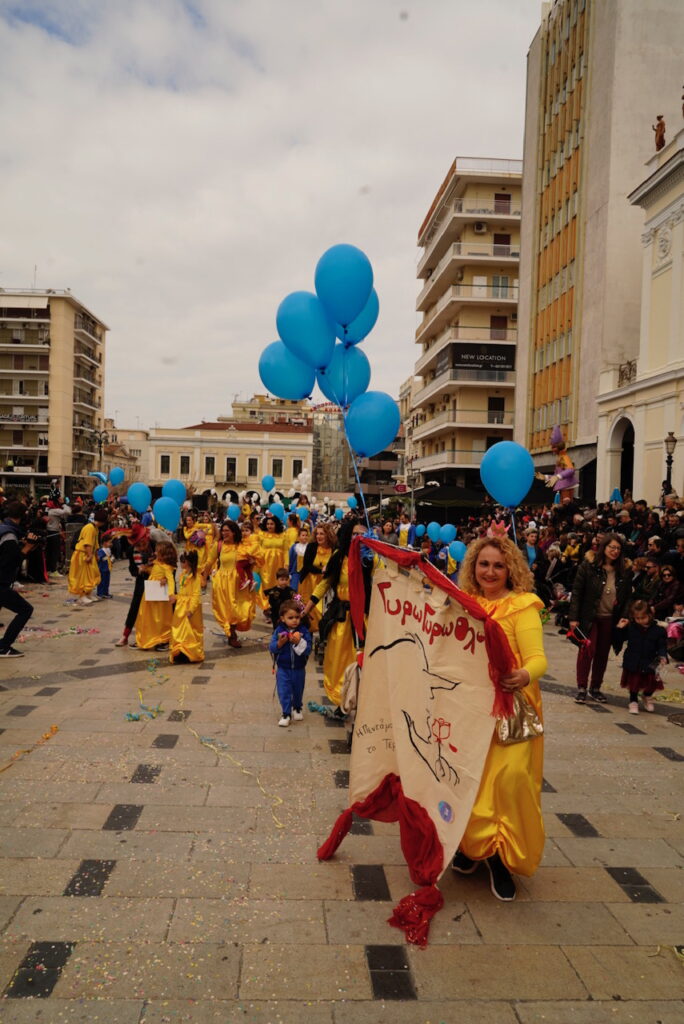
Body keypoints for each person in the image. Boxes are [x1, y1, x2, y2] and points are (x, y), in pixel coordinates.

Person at [452, 535, 547, 901]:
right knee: (469, 782)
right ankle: (472, 846)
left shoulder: (522, 606)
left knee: (507, 783)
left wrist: (523, 676)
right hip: (470, 711)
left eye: (498, 565)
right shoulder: (464, 603)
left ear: (511, 570)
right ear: (473, 566)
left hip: (512, 711)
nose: (490, 571)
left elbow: (537, 659)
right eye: (483, 564)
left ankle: (501, 857)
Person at [569, 533, 633, 704]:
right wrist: (573, 618)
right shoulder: (588, 566)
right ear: (604, 547)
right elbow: (577, 592)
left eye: (618, 548)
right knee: (587, 651)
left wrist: (625, 616)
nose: (615, 551)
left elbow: (627, 597)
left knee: (602, 654)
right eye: (612, 547)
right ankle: (581, 687)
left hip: (610, 618)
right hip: (589, 616)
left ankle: (595, 687)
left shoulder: (624, 570)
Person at [210, 520, 262, 648]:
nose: (224, 533)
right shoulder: (219, 545)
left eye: (227, 531)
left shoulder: (241, 545)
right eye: (223, 531)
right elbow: (209, 562)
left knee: (239, 609)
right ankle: (231, 634)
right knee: (227, 610)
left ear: (234, 532)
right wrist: (202, 578)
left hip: (239, 582)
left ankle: (232, 630)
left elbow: (251, 561)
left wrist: (252, 561)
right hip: (222, 582)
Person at [0, 502, 39, 657]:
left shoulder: (4, 529)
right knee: (25, 610)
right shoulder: (9, 536)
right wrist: (26, 548)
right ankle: (4, 646)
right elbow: (10, 562)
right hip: (1, 583)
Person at [614, 600, 667, 714]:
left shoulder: (659, 630)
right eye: (637, 618)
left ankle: (647, 696)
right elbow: (618, 639)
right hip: (633, 660)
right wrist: (619, 628)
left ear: (650, 615)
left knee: (652, 682)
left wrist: (662, 655)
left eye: (643, 618)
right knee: (634, 683)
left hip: (651, 660)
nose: (640, 621)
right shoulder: (631, 627)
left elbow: (662, 645)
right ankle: (633, 701)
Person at [269, 598, 312, 727]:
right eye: (290, 617)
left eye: (297, 617)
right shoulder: (279, 631)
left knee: (298, 690)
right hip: (283, 668)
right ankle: (286, 713)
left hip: (299, 668)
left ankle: (297, 707)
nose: (294, 620)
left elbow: (308, 649)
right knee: (284, 691)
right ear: (282, 618)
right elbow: (271, 647)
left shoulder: (304, 631)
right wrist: (279, 643)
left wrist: (299, 642)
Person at [114, 523, 156, 647]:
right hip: (141, 580)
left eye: (142, 544)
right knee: (135, 606)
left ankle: (163, 636)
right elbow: (132, 569)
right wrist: (138, 571)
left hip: (157, 580)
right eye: (138, 545)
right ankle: (125, 635)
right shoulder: (131, 551)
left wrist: (151, 566)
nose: (141, 547)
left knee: (158, 607)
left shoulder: (155, 544)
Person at [134, 541, 177, 651]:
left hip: (160, 597)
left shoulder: (167, 567)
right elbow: (153, 572)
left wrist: (171, 594)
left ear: (164, 553)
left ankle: (164, 639)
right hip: (150, 593)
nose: (155, 552)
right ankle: (146, 637)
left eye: (158, 551)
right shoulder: (156, 562)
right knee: (147, 616)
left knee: (160, 618)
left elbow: (171, 580)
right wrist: (146, 569)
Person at [297, 523, 337, 634]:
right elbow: (307, 565)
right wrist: (321, 571)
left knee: (323, 610)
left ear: (328, 535)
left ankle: (323, 633)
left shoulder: (334, 549)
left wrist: (328, 570)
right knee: (308, 609)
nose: (318, 536)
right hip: (309, 582)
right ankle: (307, 633)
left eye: (322, 534)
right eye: (317, 534)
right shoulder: (312, 546)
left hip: (325, 583)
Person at [169, 550, 204, 664]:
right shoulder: (183, 574)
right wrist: (176, 597)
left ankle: (191, 652)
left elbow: (195, 595)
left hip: (190, 608)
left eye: (182, 561)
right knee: (180, 630)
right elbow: (183, 593)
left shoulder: (196, 577)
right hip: (181, 607)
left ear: (187, 562)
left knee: (191, 630)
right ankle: (181, 651)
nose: (180, 564)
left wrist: (191, 610)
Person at [68, 508, 108, 605]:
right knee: (83, 576)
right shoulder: (89, 528)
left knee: (92, 574)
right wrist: (90, 555)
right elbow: (87, 544)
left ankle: (88, 593)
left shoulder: (95, 528)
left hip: (89, 553)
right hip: (83, 554)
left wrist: (95, 555)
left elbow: (95, 543)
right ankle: (82, 596)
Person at [256, 515, 287, 611]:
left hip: (279, 564)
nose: (269, 526)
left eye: (272, 524)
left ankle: (277, 606)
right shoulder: (261, 535)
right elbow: (257, 549)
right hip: (265, 565)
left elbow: (286, 550)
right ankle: (266, 607)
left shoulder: (283, 536)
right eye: (268, 524)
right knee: (266, 584)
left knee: (278, 584)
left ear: (276, 525)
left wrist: (286, 564)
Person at [288, 525, 311, 592]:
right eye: (303, 535)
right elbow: (290, 560)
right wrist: (289, 573)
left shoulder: (310, 547)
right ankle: (296, 601)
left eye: (306, 535)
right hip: (295, 572)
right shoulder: (294, 547)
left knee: (305, 590)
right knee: (294, 589)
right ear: (299, 537)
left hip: (307, 574)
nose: (305, 537)